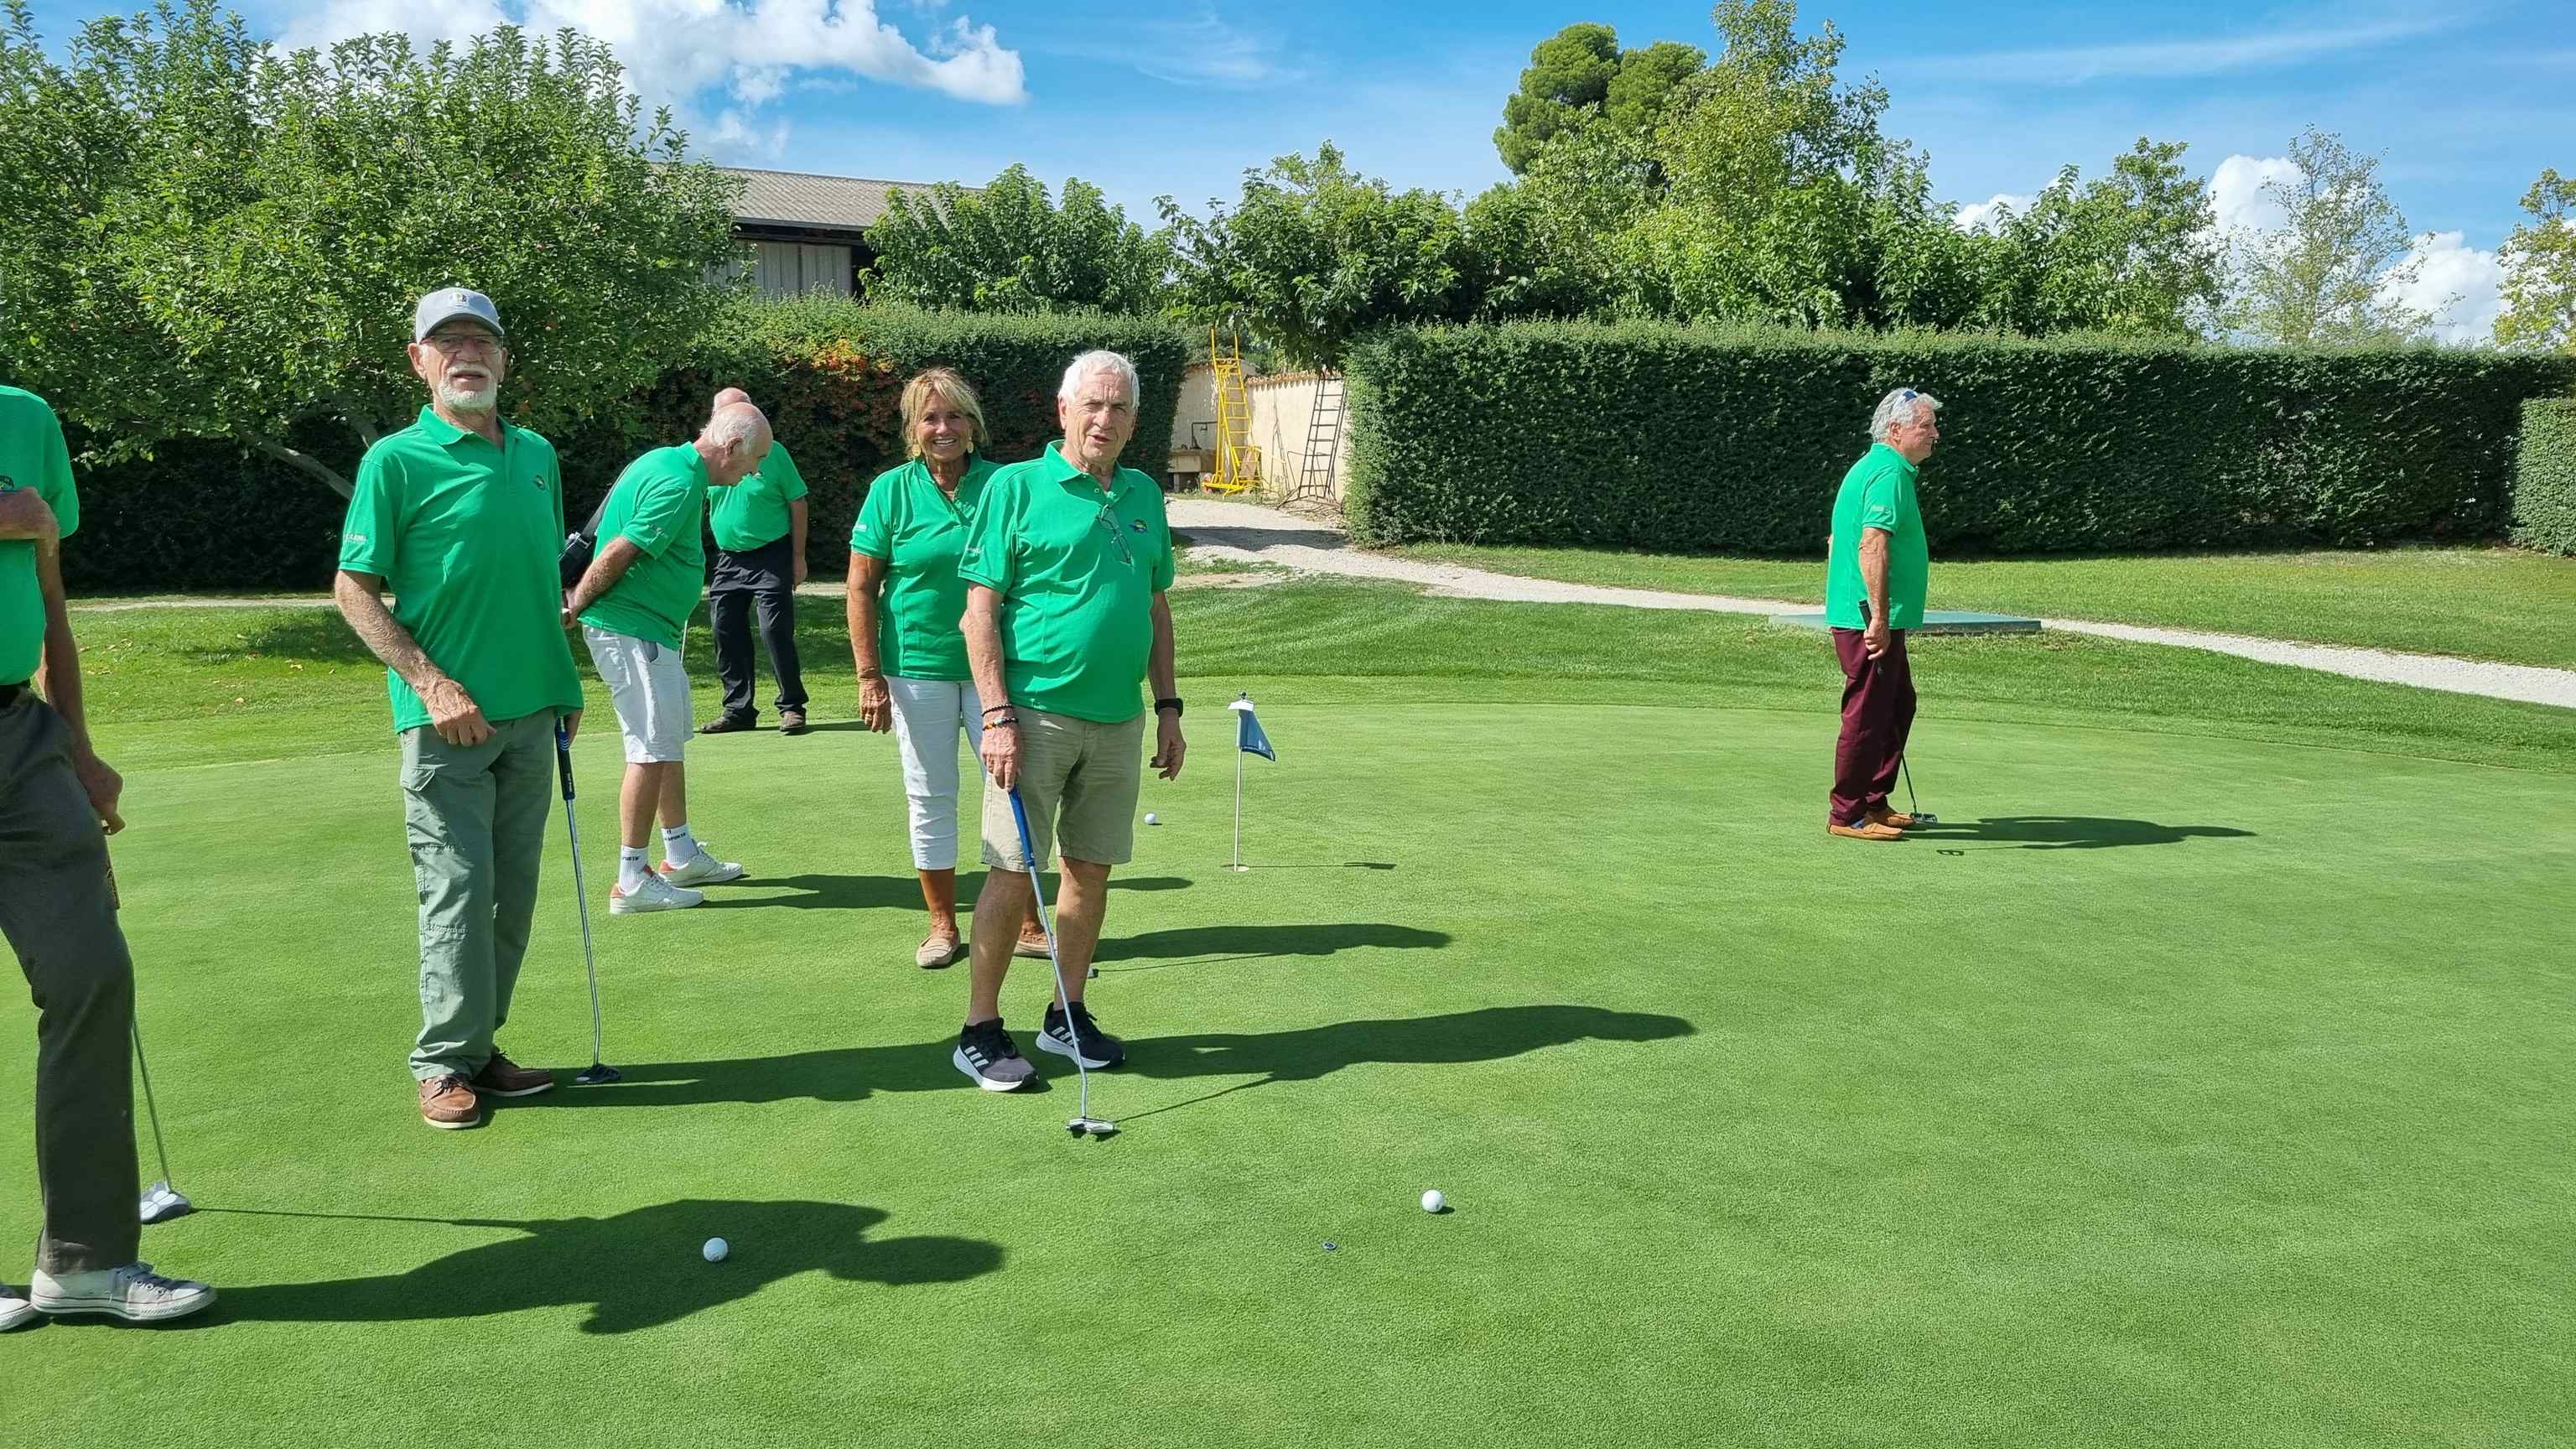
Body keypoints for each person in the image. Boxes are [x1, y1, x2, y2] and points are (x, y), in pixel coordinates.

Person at [335, 288, 587, 1130]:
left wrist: (566, 684)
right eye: (448, 342)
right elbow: (354, 589)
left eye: (481, 340)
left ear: (504, 359)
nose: (466, 354)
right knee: (458, 893)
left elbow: (539, 581)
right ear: (420, 361)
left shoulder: (538, 455)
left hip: (532, 711)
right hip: (444, 721)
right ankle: (442, 1061)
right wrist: (430, 684)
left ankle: (478, 1048)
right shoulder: (395, 461)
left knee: (511, 899)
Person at [0, 385, 216, 1324]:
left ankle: (83, 1262)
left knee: (92, 974)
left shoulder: (26, 418)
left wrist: (79, 749)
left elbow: (48, 596)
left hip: (21, 737)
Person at [947, 350, 1185, 1091]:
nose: (1104, 419)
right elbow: (979, 613)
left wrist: (1169, 708)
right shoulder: (1015, 487)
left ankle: (1065, 1014)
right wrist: (995, 715)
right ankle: (980, 1028)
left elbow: (1154, 608)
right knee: (1012, 871)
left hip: (1118, 721)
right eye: (1093, 405)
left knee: (1090, 870)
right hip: (1032, 717)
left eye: (1119, 408)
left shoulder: (1145, 494)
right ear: (1064, 410)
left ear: (1134, 422)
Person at [848, 368, 1048, 969]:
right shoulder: (890, 490)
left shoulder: (1006, 483)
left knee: (1013, 788)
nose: (944, 428)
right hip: (917, 668)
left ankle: (1028, 923)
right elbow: (861, 587)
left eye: (955, 415)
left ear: (973, 424)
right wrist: (868, 675)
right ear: (913, 428)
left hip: (999, 667)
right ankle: (942, 924)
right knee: (930, 793)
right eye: (930, 418)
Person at [565, 403, 773, 913]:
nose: (756, 471)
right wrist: (576, 604)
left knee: (667, 742)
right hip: (631, 629)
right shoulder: (679, 482)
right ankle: (631, 879)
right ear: (731, 448)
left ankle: (679, 853)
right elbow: (620, 550)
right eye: (757, 459)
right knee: (649, 749)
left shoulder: (668, 463)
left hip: (651, 630)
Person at [1822, 387, 1940, 842]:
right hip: (1867, 617)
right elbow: (1871, 544)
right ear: (1895, 430)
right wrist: (1878, 617)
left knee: (1897, 704)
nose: (1934, 434)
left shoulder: (1879, 467)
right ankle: (1848, 813)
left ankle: (1873, 799)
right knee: (1868, 712)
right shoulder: (1888, 472)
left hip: (1872, 613)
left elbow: (1837, 539)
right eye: (1926, 426)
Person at [699, 386, 811, 737]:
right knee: (725, 629)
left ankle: (792, 706)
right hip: (728, 557)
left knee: (774, 630)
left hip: (771, 554)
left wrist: (798, 557)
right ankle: (738, 710)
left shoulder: (772, 452)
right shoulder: (710, 457)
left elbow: (798, 502)